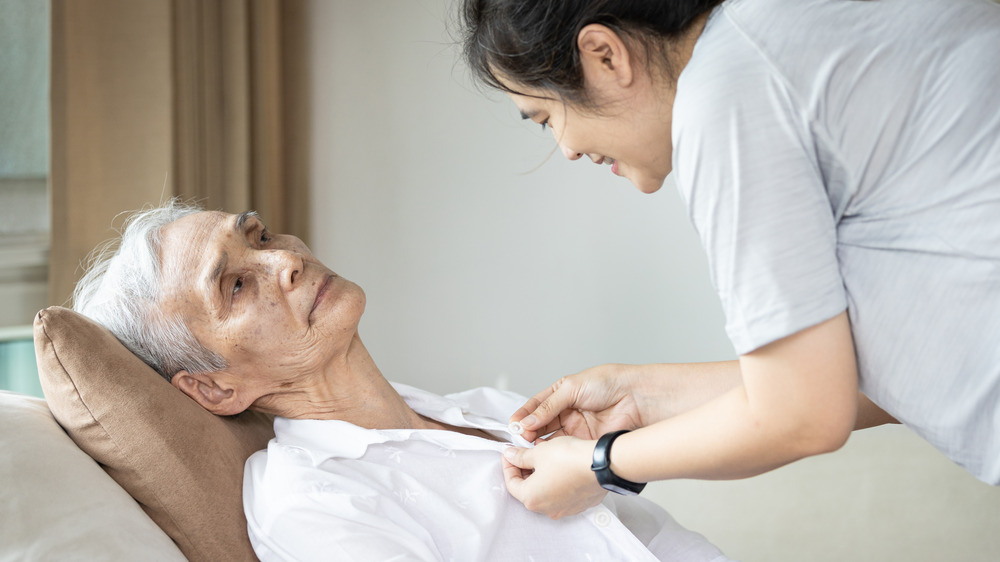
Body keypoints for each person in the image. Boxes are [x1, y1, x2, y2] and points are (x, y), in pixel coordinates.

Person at [457, 0, 1000, 518]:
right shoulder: (792, 31)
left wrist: (597, 466)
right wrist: (641, 396)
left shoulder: (729, 93)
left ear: (605, 54)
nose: (568, 149)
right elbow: (843, 381)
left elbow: (804, 416)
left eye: (545, 116)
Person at [72, 200, 730, 562]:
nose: (286, 260)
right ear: (216, 388)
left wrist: (625, 419)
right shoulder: (313, 505)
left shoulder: (486, 409)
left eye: (261, 234)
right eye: (237, 285)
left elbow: (795, 404)